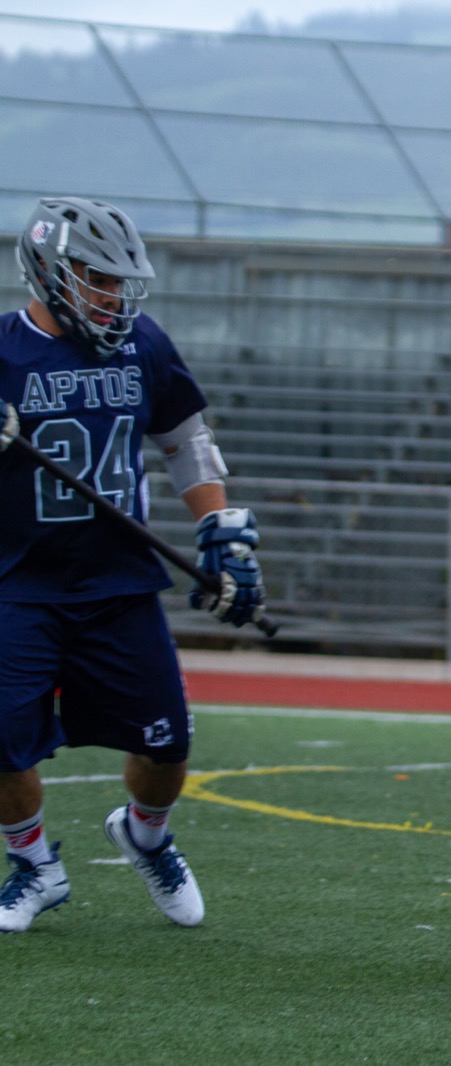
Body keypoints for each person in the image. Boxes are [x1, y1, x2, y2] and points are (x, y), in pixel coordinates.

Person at [0, 196, 265, 933]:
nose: (114, 296)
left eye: (120, 282)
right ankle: (35, 868)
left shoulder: (140, 343)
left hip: (119, 581)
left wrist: (217, 523)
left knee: (166, 742)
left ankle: (146, 835)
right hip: (20, 580)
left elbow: (184, 438)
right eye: (97, 279)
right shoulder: (3, 351)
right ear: (50, 272)